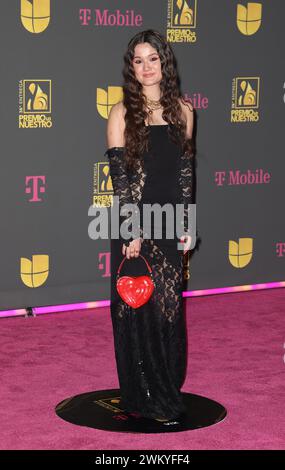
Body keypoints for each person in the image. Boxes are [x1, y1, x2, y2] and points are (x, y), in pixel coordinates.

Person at [104, 29, 194, 424]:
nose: (146, 68)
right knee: (136, 312)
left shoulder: (184, 111)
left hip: (170, 222)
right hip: (136, 224)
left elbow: (185, 173)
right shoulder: (121, 113)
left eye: (153, 59)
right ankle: (142, 395)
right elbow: (121, 180)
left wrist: (188, 220)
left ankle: (167, 388)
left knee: (169, 313)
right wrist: (131, 230)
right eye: (138, 60)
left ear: (165, 63)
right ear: (131, 67)